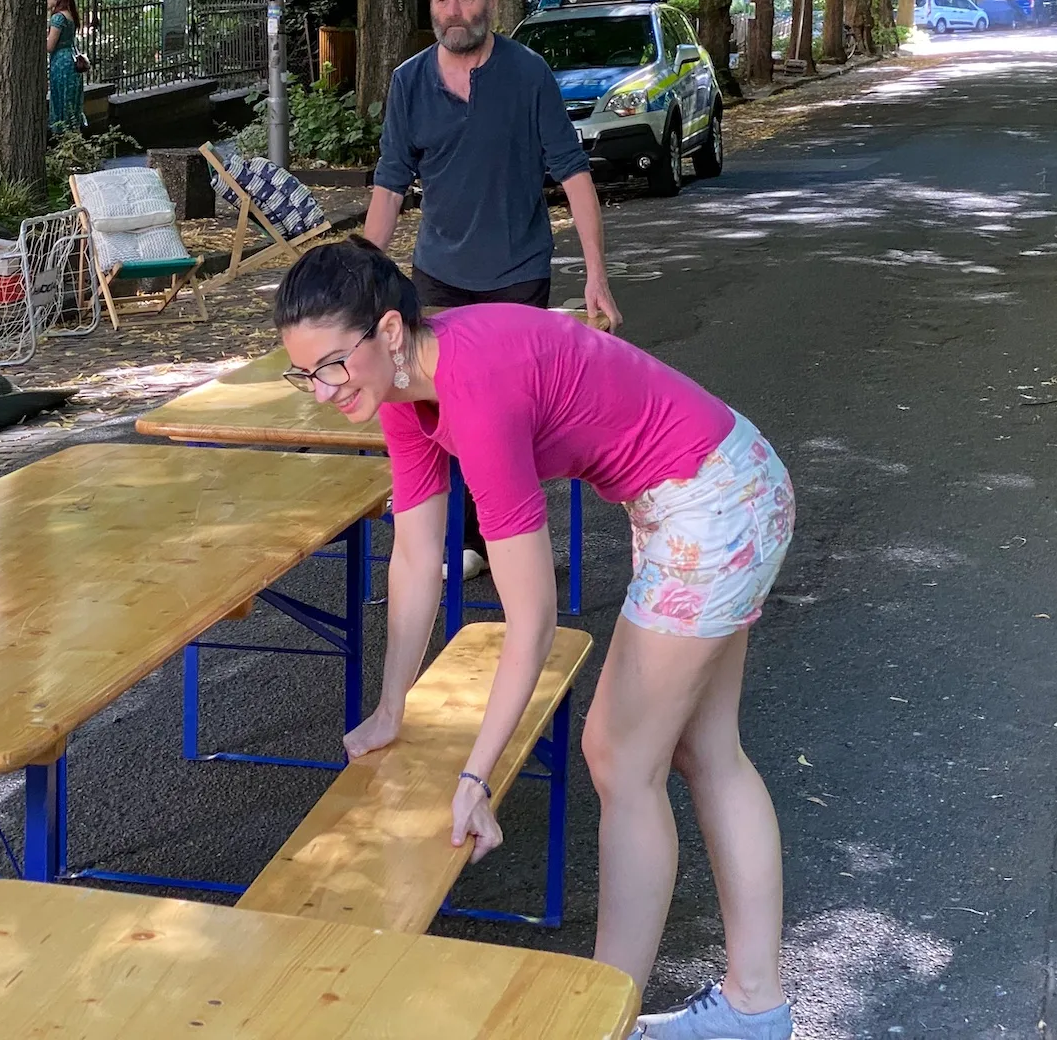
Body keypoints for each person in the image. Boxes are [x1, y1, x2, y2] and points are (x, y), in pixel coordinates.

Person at [276, 239, 796, 1040]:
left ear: (388, 331)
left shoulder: (475, 391)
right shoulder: (405, 388)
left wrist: (477, 776)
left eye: (331, 366)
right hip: (719, 484)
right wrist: (390, 705)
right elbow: (416, 555)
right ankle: (755, 1009)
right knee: (705, 751)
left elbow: (533, 619)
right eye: (303, 374)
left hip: (712, 502)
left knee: (619, 758)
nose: (320, 391)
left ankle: (601, 1021)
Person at [364, 0, 620, 577]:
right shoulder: (408, 82)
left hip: (517, 274)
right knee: (435, 412)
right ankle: (453, 538)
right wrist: (361, 286)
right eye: (442, 0)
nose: (454, 12)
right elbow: (390, 187)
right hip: (437, 277)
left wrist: (596, 275)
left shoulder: (528, 73)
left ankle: (505, 540)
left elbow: (574, 175)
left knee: (501, 419)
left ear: (491, 4)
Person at [46, 0, 84, 131]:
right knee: (70, 102)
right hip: (71, 60)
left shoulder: (58, 17)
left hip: (61, 64)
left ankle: (62, 133)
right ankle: (72, 134)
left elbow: (50, 46)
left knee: (60, 100)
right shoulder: (70, 14)